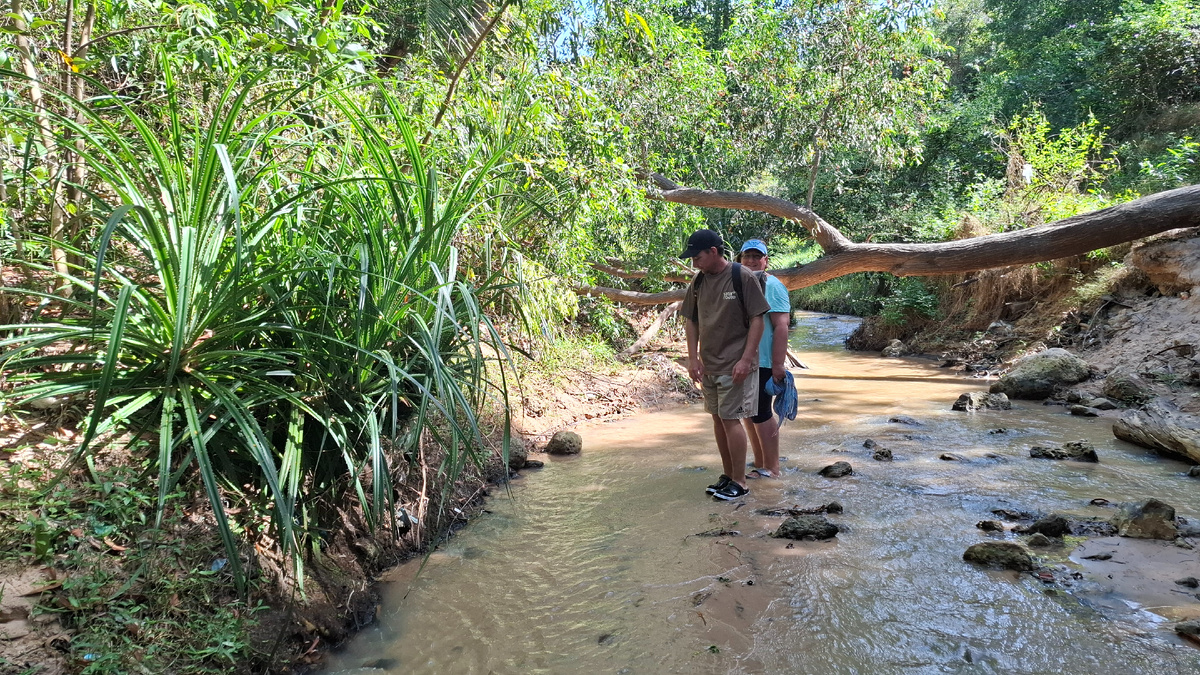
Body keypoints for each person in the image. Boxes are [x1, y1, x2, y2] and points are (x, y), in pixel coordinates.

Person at [679, 229, 770, 501]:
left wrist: (746, 359)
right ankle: (729, 475)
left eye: (698, 257)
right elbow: (691, 321)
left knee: (731, 420)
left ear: (714, 252)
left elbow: (757, 320)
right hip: (710, 364)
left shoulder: (741, 276)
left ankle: (740, 482)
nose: (694, 262)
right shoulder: (698, 282)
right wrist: (693, 359)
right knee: (718, 419)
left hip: (736, 364)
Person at [736, 239, 789, 479]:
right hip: (743, 360)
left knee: (761, 413)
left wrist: (778, 365)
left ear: (766, 261)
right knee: (748, 412)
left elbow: (781, 326)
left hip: (765, 361)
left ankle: (772, 468)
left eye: (757, 256)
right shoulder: (739, 283)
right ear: (740, 259)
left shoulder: (773, 285)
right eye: (747, 256)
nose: (751, 260)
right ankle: (760, 462)